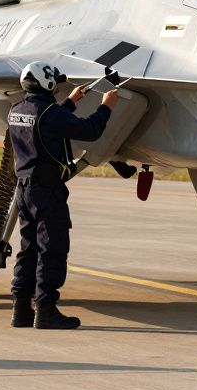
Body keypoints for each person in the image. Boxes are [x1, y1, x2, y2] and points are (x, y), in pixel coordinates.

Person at [7, 61, 118, 330]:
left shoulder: (17, 110)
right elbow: (89, 131)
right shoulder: (50, 114)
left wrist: (71, 101)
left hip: (23, 190)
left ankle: (21, 310)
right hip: (47, 192)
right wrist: (107, 106)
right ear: (46, 83)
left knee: (29, 249)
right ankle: (45, 311)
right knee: (52, 249)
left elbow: (46, 122)